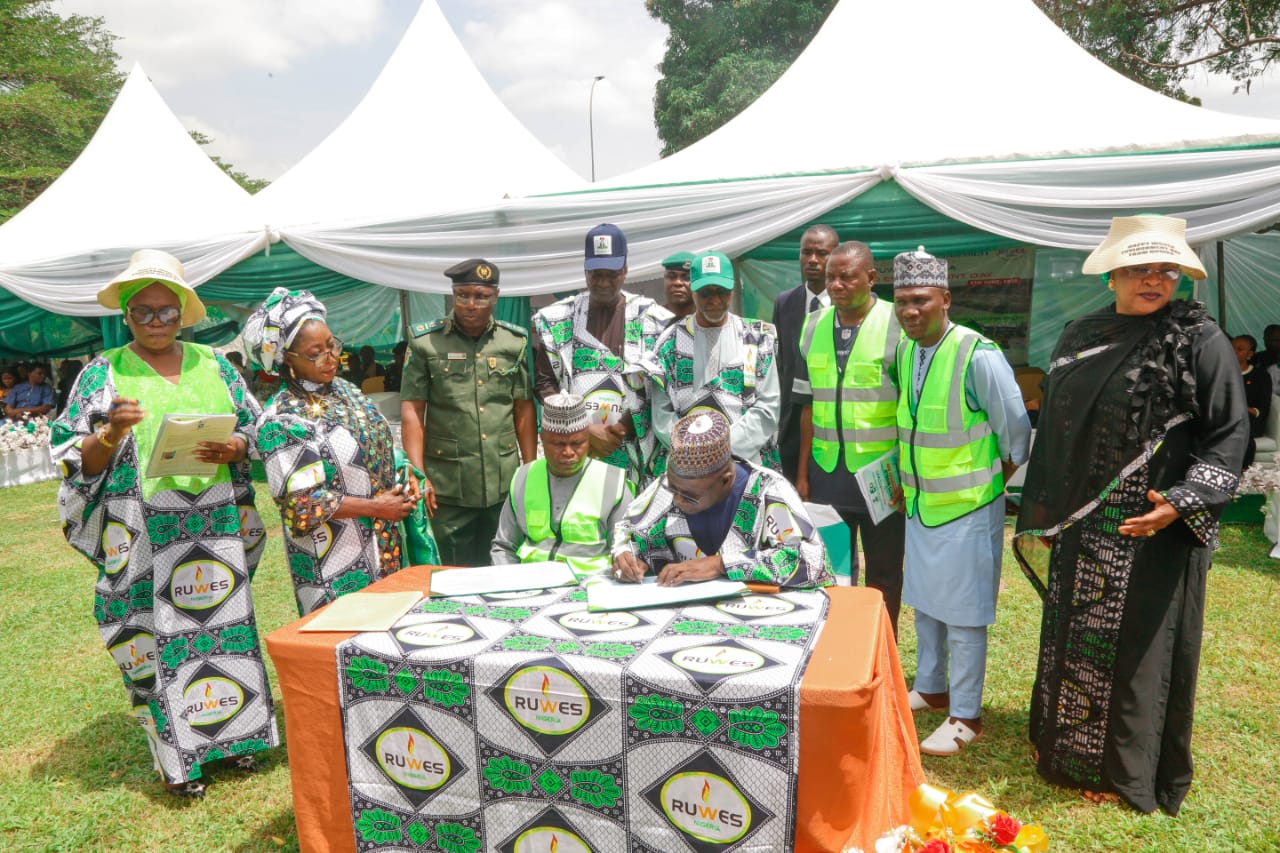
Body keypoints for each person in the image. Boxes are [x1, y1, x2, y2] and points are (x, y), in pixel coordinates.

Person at [1014, 215, 1248, 814]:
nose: (1153, 280)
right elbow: (1059, 425)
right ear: (1112, 275)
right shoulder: (1081, 334)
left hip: (1154, 527)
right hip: (1084, 525)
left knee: (1139, 650)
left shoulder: (1199, 340)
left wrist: (1182, 502)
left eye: (1166, 270)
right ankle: (1066, 753)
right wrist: (1058, 509)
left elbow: (1228, 434)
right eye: (1140, 268)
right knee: (1077, 639)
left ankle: (1124, 772)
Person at [50, 249, 278, 798]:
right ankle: (180, 761)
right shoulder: (102, 373)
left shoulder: (215, 364)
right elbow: (74, 458)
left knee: (224, 630)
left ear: (182, 313)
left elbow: (258, 428)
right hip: (143, 531)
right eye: (143, 312)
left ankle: (236, 740)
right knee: (155, 636)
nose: (156, 321)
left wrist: (236, 446)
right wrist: (110, 434)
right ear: (127, 315)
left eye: (167, 311)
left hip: (216, 523)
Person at [892, 246, 1031, 757]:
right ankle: (932, 687)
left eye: (921, 300)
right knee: (926, 603)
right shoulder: (906, 350)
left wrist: (996, 480)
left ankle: (966, 714)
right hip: (921, 505)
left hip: (968, 508)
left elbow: (1016, 430)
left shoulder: (978, 353)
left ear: (945, 299)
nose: (911, 311)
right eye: (902, 301)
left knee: (965, 614)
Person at [243, 288, 422, 616]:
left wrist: (405, 473)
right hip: (333, 564)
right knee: (343, 638)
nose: (330, 358)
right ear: (287, 358)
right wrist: (376, 508)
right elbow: (301, 506)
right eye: (316, 353)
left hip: (384, 549)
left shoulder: (348, 391)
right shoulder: (282, 418)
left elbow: (378, 447)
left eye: (332, 345)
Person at [793, 241, 906, 633]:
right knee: (834, 571)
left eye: (847, 277)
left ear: (871, 278)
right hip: (827, 474)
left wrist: (907, 474)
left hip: (883, 478)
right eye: (831, 278)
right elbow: (808, 406)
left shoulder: (897, 323)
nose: (836, 285)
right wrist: (803, 474)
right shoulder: (813, 325)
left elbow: (910, 408)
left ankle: (882, 646)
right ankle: (838, 644)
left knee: (884, 574)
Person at [400, 259, 537, 566]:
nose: (471, 304)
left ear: (496, 296)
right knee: (451, 572)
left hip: (503, 483)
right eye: (462, 295)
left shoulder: (513, 342)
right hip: (447, 487)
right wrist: (418, 473)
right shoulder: (426, 342)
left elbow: (523, 408)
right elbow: (412, 409)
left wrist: (530, 471)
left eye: (481, 296)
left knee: (502, 566)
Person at [611, 410, 832, 588]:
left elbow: (812, 563)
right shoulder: (668, 487)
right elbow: (630, 534)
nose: (676, 499)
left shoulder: (769, 490)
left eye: (689, 495)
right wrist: (627, 557)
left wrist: (720, 565)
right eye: (673, 487)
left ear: (726, 480)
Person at [530, 223, 672, 484]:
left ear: (625, 270)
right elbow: (544, 383)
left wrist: (621, 429)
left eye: (612, 274)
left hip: (633, 450)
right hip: (575, 447)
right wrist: (582, 428)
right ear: (586, 272)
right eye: (596, 275)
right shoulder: (559, 319)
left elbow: (662, 385)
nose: (604, 283)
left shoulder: (652, 320)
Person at [645, 250, 781, 474]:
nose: (715, 300)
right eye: (706, 293)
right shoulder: (669, 343)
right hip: (687, 467)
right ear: (693, 290)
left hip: (745, 465)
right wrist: (696, 453)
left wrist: (720, 450)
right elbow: (662, 415)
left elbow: (767, 408)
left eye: (722, 292)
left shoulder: (757, 338)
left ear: (732, 290)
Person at [491, 392, 633, 577]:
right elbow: (504, 547)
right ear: (542, 439)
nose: (568, 452)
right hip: (531, 584)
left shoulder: (614, 482)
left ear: (588, 439)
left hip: (591, 586)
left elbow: (625, 549)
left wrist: (625, 565)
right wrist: (510, 583)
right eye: (558, 444)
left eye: (577, 443)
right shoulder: (523, 477)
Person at [773, 225, 839, 483]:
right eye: (806, 252)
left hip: (832, 424)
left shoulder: (850, 302)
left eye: (821, 253)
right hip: (792, 425)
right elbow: (781, 363)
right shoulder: (784, 302)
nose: (812, 260)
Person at [1233, 334, 1272, 469]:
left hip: (1249, 420)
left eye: (1239, 349)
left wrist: (1242, 408)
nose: (1234, 352)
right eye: (1231, 348)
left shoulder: (1260, 375)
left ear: (1250, 354)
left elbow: (1263, 408)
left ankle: (1241, 471)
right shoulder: (1220, 372)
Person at [660, 251, 696, 324]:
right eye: (671, 277)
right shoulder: (650, 320)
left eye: (687, 277)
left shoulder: (706, 322)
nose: (677, 283)